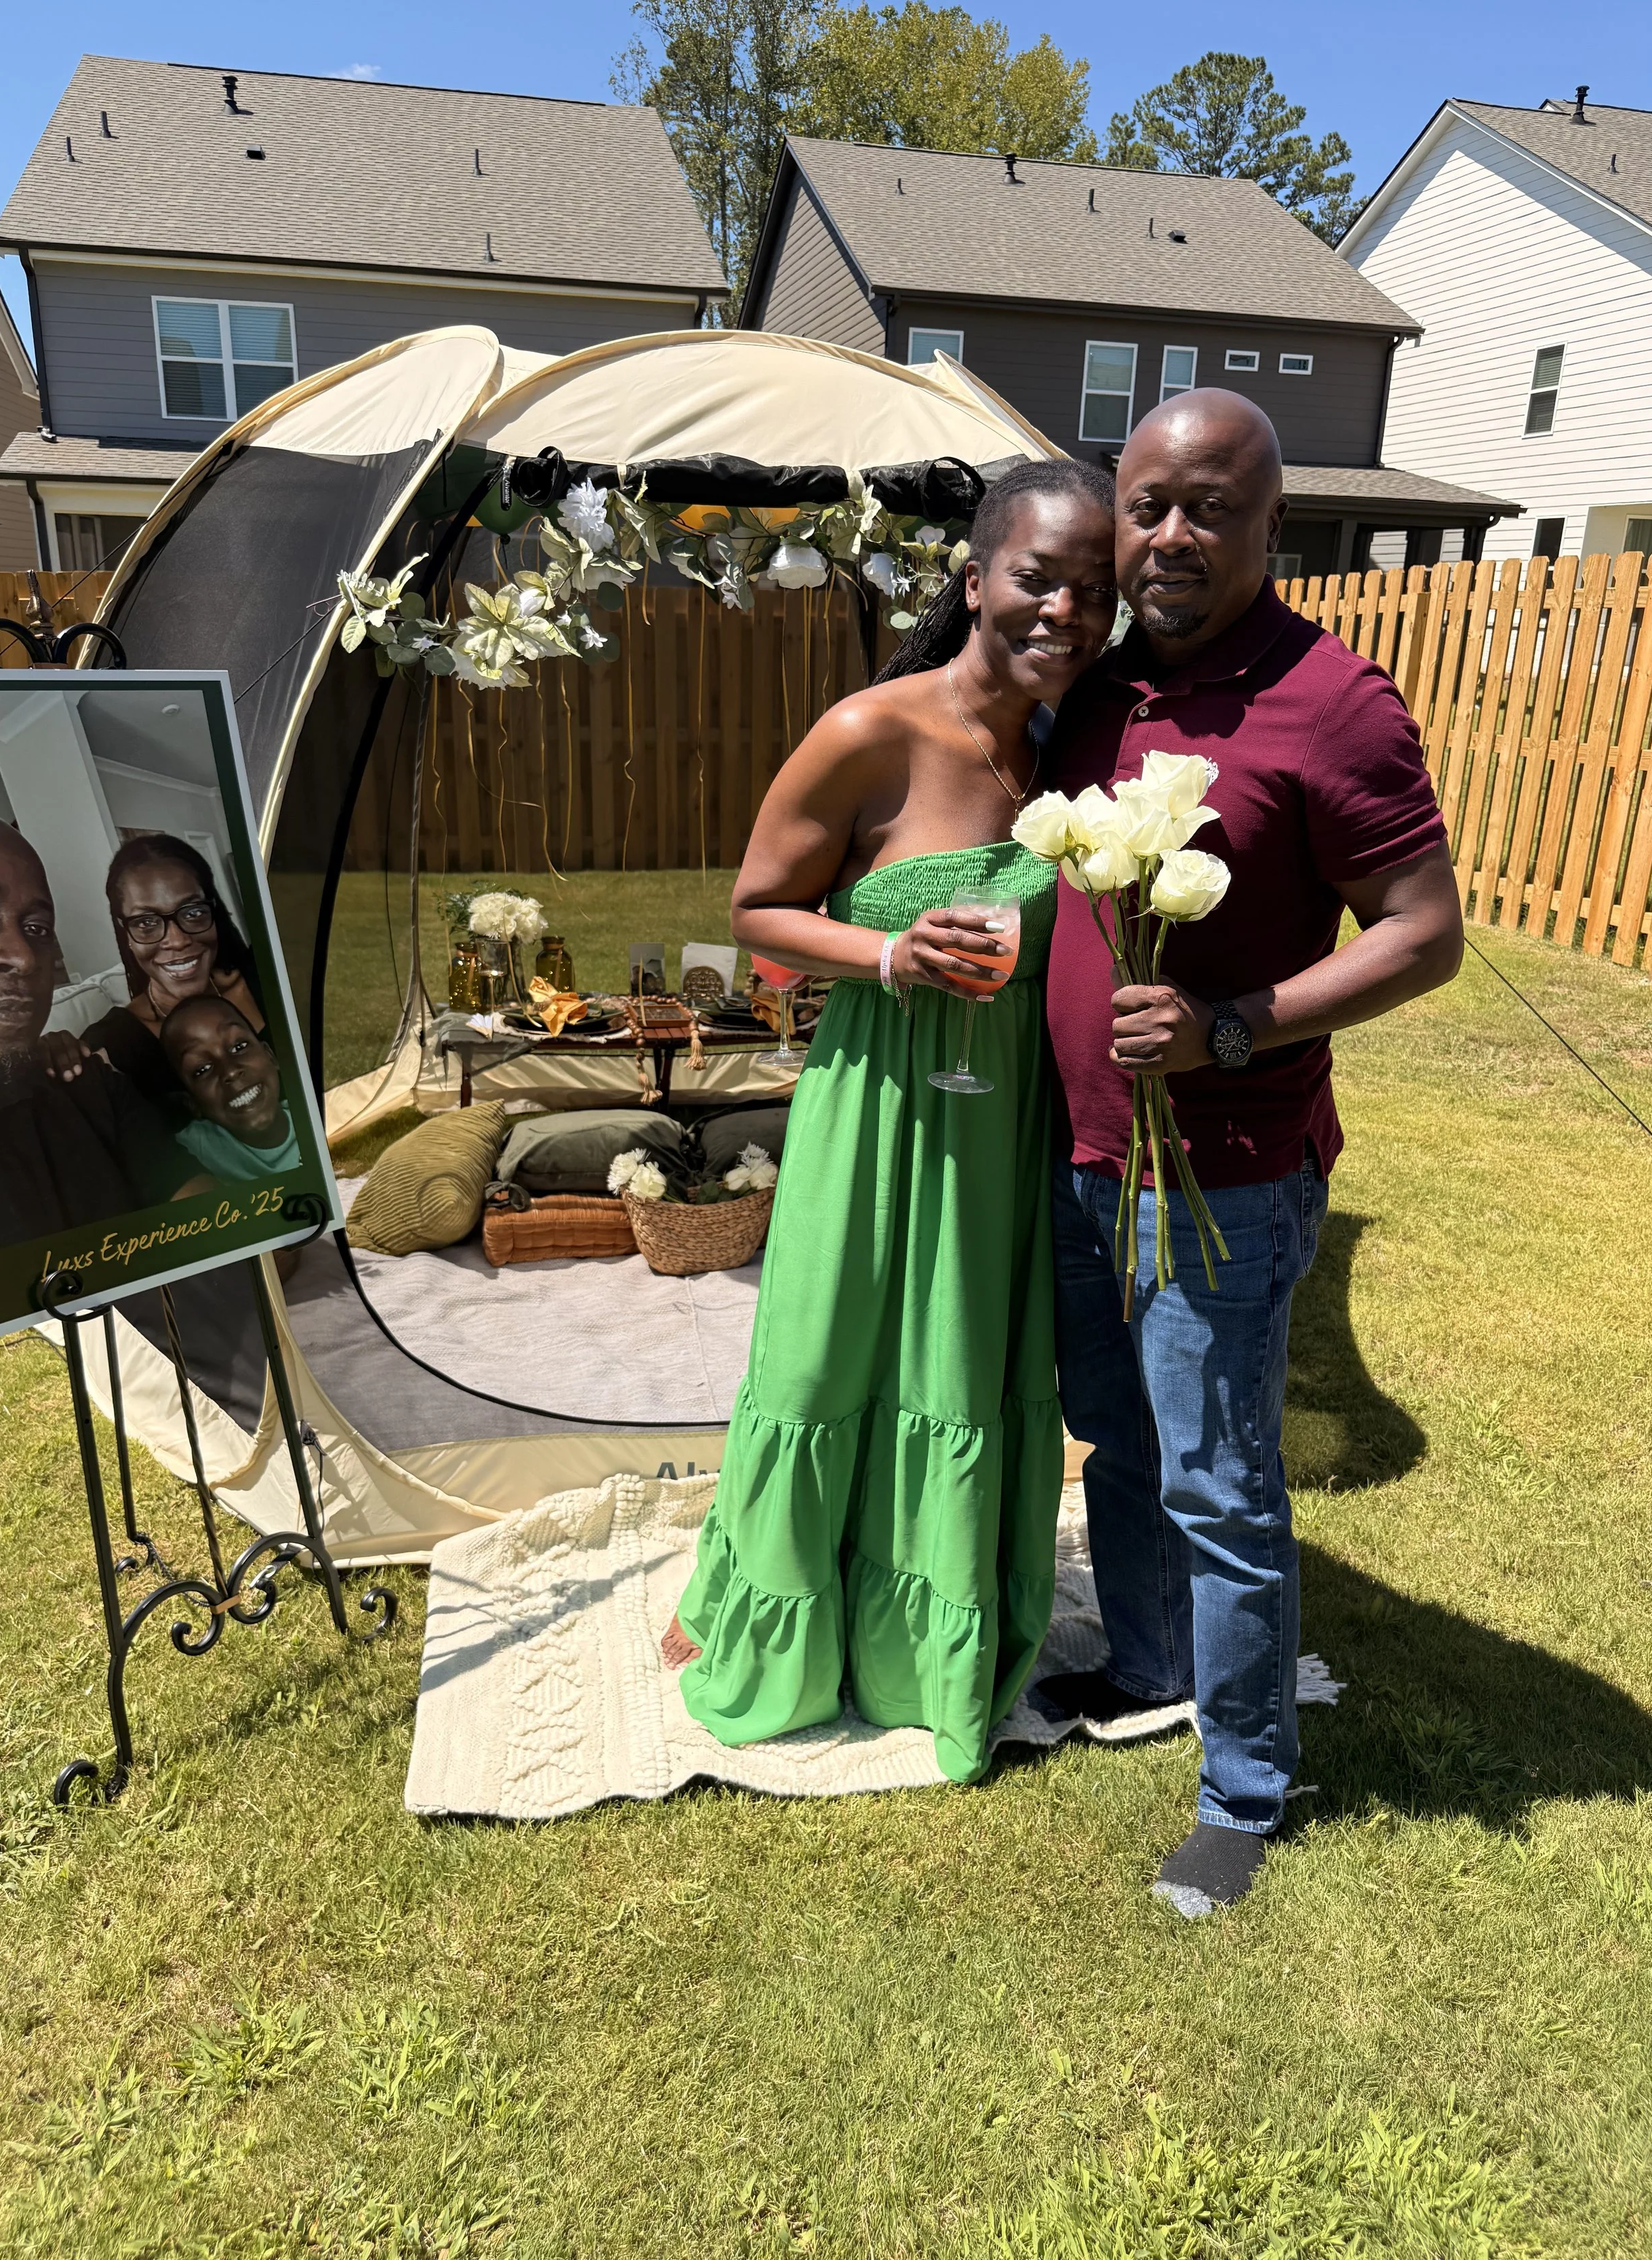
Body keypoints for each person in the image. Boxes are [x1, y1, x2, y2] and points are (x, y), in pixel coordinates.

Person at [1039, 391, 1464, 1914]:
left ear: (1269, 525)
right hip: (1083, 1154)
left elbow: (1424, 935)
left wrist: (1229, 1028)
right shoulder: (1092, 692)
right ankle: (1150, 1659)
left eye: (1207, 506)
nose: (1168, 535)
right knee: (1121, 1435)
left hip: (1220, 1173)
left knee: (1220, 1480)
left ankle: (1242, 1782)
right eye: (1145, 503)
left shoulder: (1330, 702)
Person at [660, 458, 1119, 1784]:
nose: (1062, 613)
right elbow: (753, 909)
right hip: (872, 1114)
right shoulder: (868, 728)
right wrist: (886, 955)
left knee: (954, 1372)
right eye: (1038, 577)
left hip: (996, 1129)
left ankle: (921, 1645)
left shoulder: (1070, 756)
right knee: (819, 1365)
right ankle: (775, 1622)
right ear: (974, 578)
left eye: (1090, 594)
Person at [0, 813, 210, 1246]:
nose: (24, 958)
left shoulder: (88, 1085)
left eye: (37, 929)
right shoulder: (111, 1043)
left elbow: (244, 1242)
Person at [43, 833, 266, 1112]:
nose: (177, 940)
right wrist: (49, 1060)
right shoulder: (113, 1046)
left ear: (213, 910)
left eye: (193, 912)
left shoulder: (267, 978)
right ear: (125, 931)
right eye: (146, 922)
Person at [161, 995, 300, 1182]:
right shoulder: (185, 1152)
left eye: (239, 1046)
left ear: (270, 1056)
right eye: (202, 1069)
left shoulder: (321, 1112)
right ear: (192, 1103)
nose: (231, 1072)